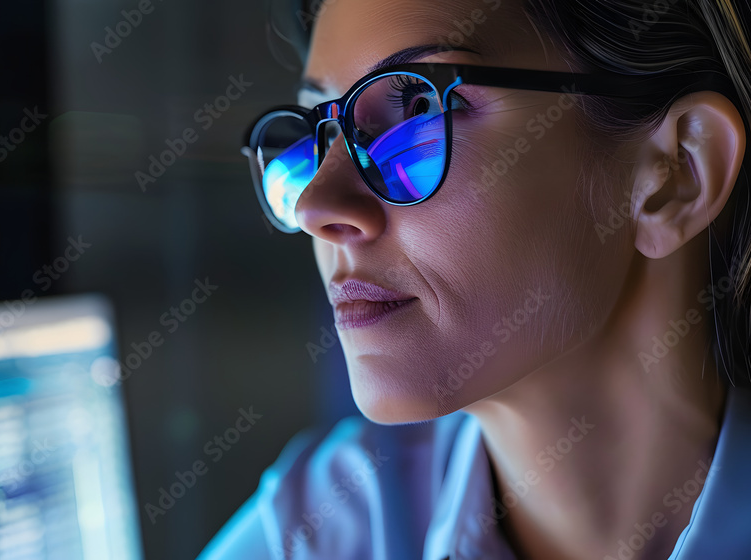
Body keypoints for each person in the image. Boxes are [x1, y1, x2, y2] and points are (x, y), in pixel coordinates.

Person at [199, 0, 751, 558]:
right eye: (317, 132)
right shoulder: (327, 520)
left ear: (677, 174)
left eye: (417, 109)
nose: (315, 205)